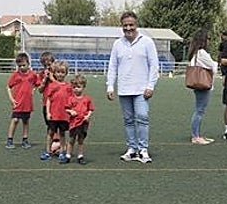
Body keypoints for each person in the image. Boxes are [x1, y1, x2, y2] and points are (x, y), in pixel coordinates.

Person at [106, 11, 159, 164]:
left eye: (131, 25)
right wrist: (110, 86)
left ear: (136, 25)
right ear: (121, 26)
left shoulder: (147, 42)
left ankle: (143, 150)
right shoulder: (118, 44)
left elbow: (154, 65)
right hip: (124, 89)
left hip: (142, 90)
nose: (128, 28)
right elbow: (113, 66)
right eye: (125, 25)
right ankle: (132, 149)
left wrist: (151, 86)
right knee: (128, 120)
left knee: (142, 118)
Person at [185, 29, 217, 145]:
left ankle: (197, 134)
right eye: (208, 39)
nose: (209, 41)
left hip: (197, 84)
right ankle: (195, 136)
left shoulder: (195, 52)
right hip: (203, 85)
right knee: (199, 110)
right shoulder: (202, 53)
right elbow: (213, 65)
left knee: (199, 110)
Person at [5, 52, 38, 149]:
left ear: (28, 64)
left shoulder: (32, 75)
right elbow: (8, 87)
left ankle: (25, 139)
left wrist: (33, 90)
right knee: (15, 120)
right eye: (19, 66)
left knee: (25, 121)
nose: (22, 67)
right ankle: (10, 140)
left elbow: (37, 83)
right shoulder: (16, 75)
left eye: (24, 65)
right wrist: (11, 99)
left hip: (27, 103)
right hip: (18, 103)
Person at [44, 61, 73, 164]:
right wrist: (48, 112)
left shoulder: (69, 86)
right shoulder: (52, 85)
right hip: (53, 114)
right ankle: (47, 151)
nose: (60, 74)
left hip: (63, 115)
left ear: (66, 73)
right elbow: (48, 100)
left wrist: (71, 112)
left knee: (62, 134)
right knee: (50, 133)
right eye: (58, 72)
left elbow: (71, 100)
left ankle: (62, 151)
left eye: (62, 72)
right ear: (54, 73)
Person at [65, 74, 94, 165]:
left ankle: (80, 156)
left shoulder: (87, 99)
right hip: (74, 123)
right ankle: (68, 156)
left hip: (83, 123)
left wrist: (88, 116)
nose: (76, 89)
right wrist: (71, 111)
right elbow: (66, 108)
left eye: (78, 87)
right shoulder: (70, 99)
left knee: (80, 140)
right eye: (74, 87)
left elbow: (90, 109)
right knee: (71, 140)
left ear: (83, 87)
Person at [35, 51, 56, 160]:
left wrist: (52, 77)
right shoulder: (41, 74)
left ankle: (57, 146)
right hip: (46, 104)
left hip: (57, 104)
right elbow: (39, 90)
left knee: (57, 127)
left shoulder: (58, 73)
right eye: (45, 65)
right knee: (50, 127)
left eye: (50, 64)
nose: (48, 67)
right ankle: (50, 148)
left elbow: (60, 86)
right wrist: (44, 80)